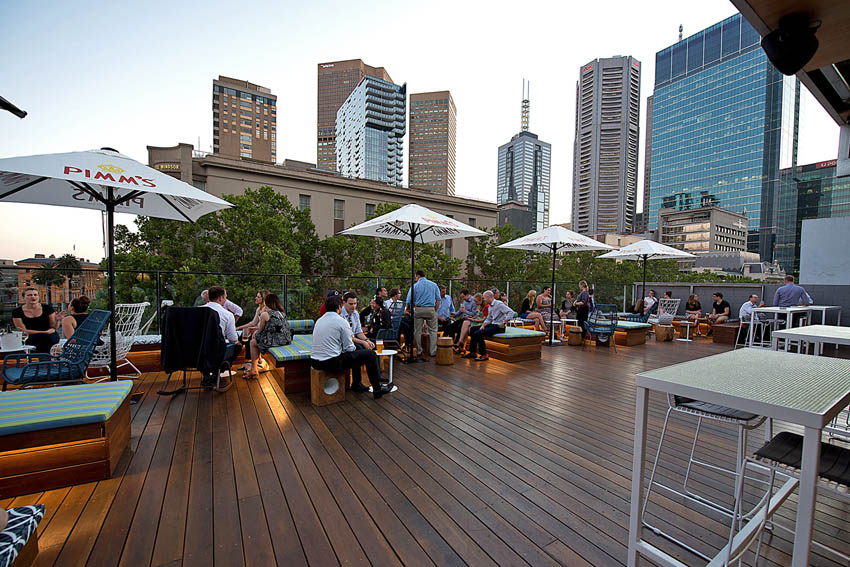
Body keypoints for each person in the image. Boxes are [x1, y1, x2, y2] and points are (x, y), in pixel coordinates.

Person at [310, 294, 394, 399]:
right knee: (370, 354)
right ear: (340, 306)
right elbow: (349, 348)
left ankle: (358, 384)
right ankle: (378, 389)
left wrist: (365, 342)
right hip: (330, 363)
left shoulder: (319, 320)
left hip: (315, 361)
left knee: (359, 353)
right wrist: (360, 348)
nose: (353, 306)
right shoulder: (341, 321)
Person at [202, 286, 242, 388]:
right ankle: (217, 372)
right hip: (215, 353)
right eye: (225, 297)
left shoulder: (196, 311)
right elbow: (233, 339)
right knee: (238, 345)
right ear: (220, 298)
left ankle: (206, 375)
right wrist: (236, 341)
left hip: (195, 353)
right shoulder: (227, 315)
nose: (225, 299)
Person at [244, 293, 291, 378]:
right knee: (256, 336)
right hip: (285, 339)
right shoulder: (281, 313)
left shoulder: (265, 314)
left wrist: (254, 332)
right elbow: (273, 328)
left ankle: (254, 369)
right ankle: (258, 364)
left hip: (275, 340)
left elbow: (261, 330)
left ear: (267, 302)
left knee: (253, 342)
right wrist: (255, 329)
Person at [463, 291, 515, 361]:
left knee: (479, 333)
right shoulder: (490, 306)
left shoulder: (499, 304)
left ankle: (484, 354)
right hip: (492, 325)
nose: (484, 300)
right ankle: (473, 352)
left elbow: (511, 312)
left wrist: (504, 322)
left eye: (484, 298)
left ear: (488, 297)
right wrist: (483, 325)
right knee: (473, 329)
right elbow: (489, 318)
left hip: (499, 327)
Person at [404, 270, 440, 360]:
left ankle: (419, 350)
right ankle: (432, 351)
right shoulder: (434, 285)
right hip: (430, 309)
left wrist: (409, 309)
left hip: (419, 309)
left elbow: (408, 301)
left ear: (418, 276)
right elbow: (438, 299)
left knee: (417, 331)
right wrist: (435, 310)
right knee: (433, 331)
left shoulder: (414, 286)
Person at [12, 287, 59, 353]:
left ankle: (43, 360)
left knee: (47, 339)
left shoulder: (47, 308)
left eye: (35, 295)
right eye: (29, 295)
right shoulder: (17, 311)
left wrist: (57, 320)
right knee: (41, 339)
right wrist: (44, 332)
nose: (33, 297)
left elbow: (53, 326)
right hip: (30, 336)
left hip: (49, 336)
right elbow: (22, 331)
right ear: (24, 297)